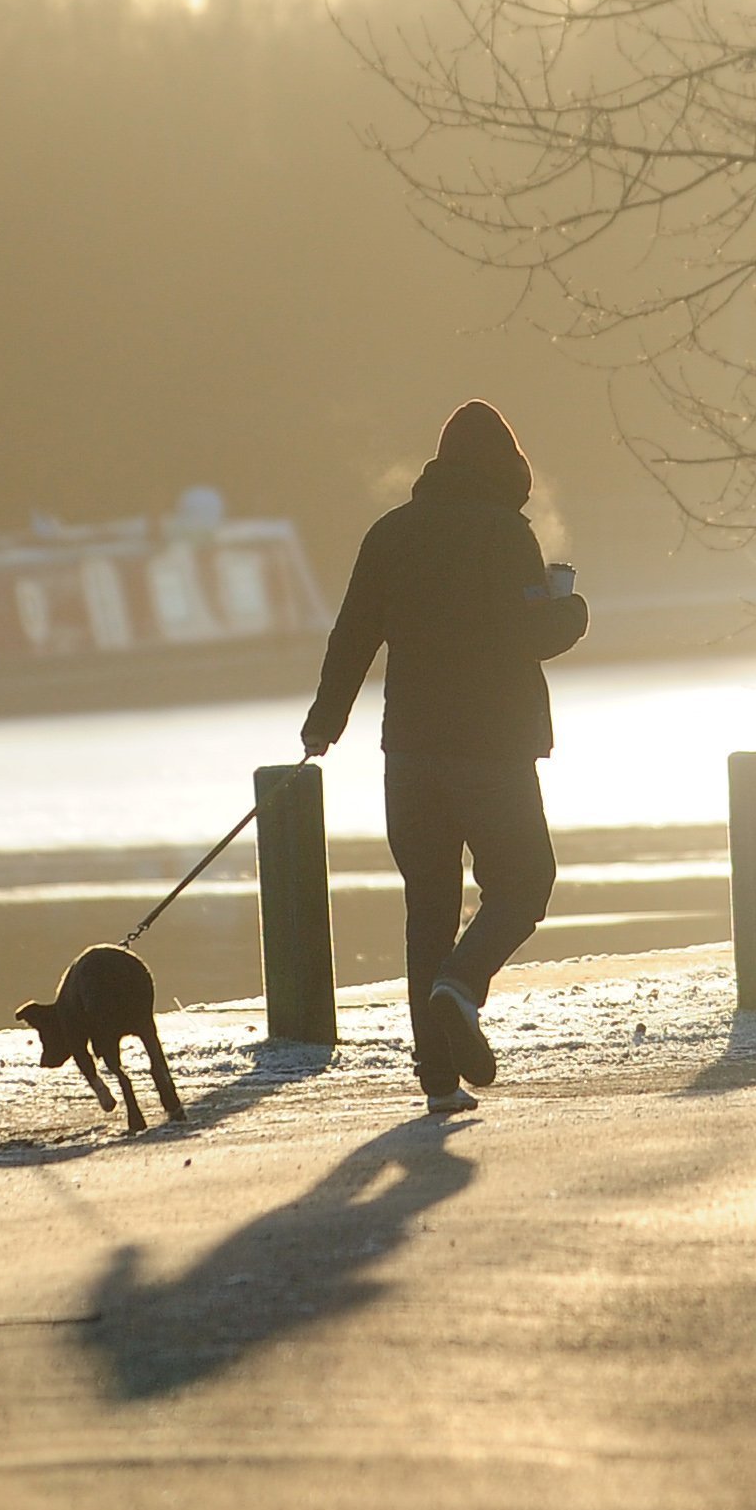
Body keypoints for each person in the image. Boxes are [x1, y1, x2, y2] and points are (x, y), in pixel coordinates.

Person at [300, 399, 588, 1115]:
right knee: (525, 881)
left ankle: (437, 1082)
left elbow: (351, 637)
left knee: (426, 903)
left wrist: (323, 725)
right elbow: (529, 635)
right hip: (492, 750)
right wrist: (570, 612)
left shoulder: (391, 535)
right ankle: (461, 984)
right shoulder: (504, 534)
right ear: (505, 468)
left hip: (412, 755)